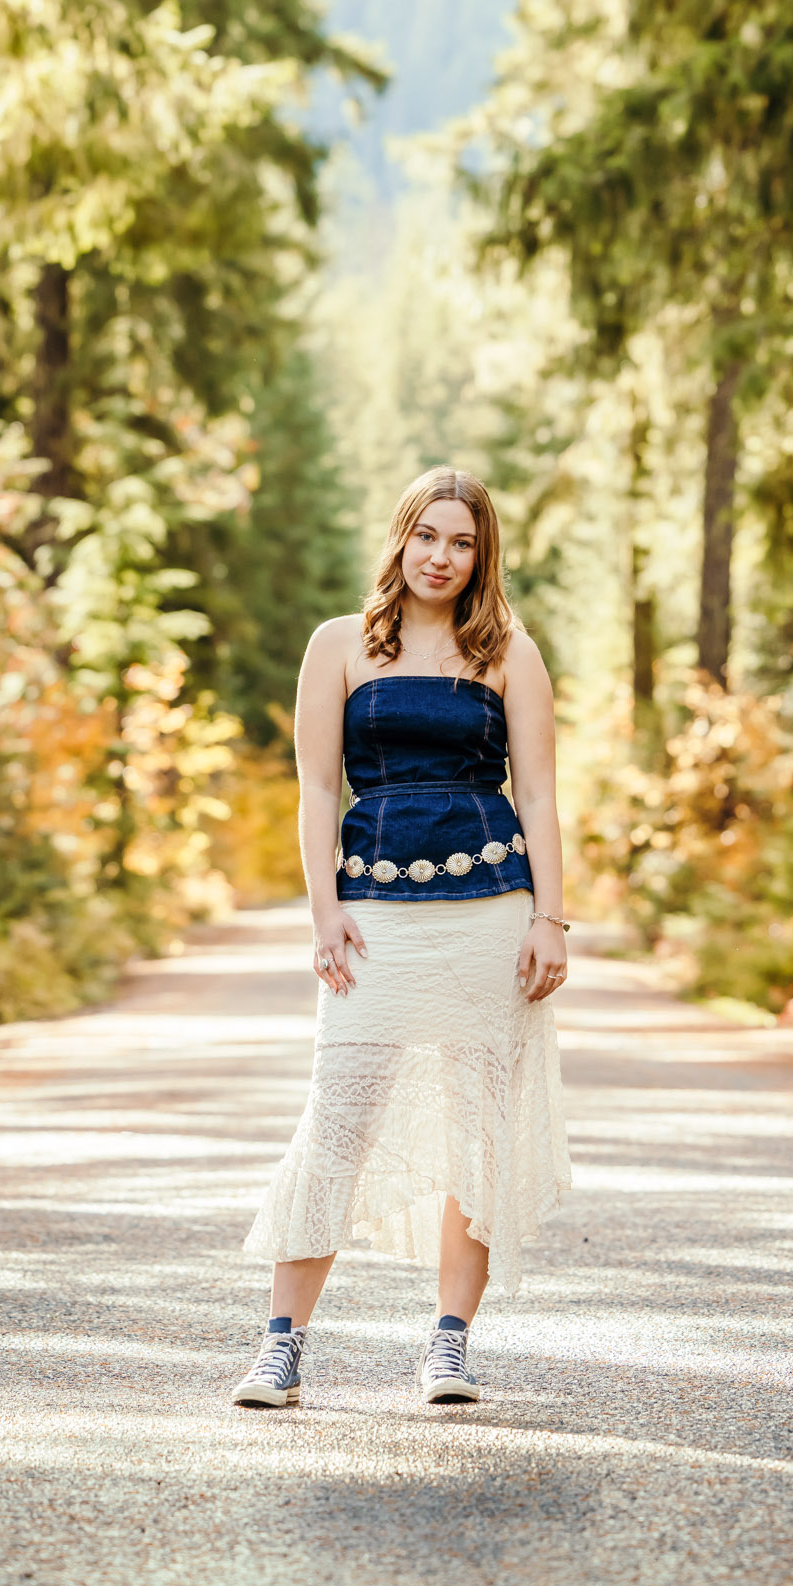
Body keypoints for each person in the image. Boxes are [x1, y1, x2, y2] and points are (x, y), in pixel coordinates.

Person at [234, 466, 572, 1411]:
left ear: (481, 556)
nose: (442, 556)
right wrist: (321, 906)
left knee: (478, 1129)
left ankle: (450, 1346)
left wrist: (550, 916)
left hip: (490, 912)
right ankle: (280, 1346)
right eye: (428, 536)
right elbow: (316, 788)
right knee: (337, 1118)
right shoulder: (339, 646)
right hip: (373, 910)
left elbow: (538, 793)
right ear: (401, 538)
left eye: (462, 542)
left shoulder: (510, 652)